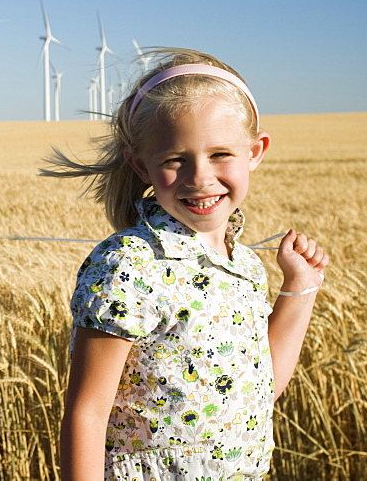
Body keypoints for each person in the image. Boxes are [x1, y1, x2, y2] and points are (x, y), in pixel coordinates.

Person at [42, 48, 329, 481]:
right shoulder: (131, 265)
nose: (200, 177)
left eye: (220, 154)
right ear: (140, 164)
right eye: (176, 159)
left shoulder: (245, 265)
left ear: (256, 151)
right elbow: (86, 413)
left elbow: (260, 389)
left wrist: (300, 286)